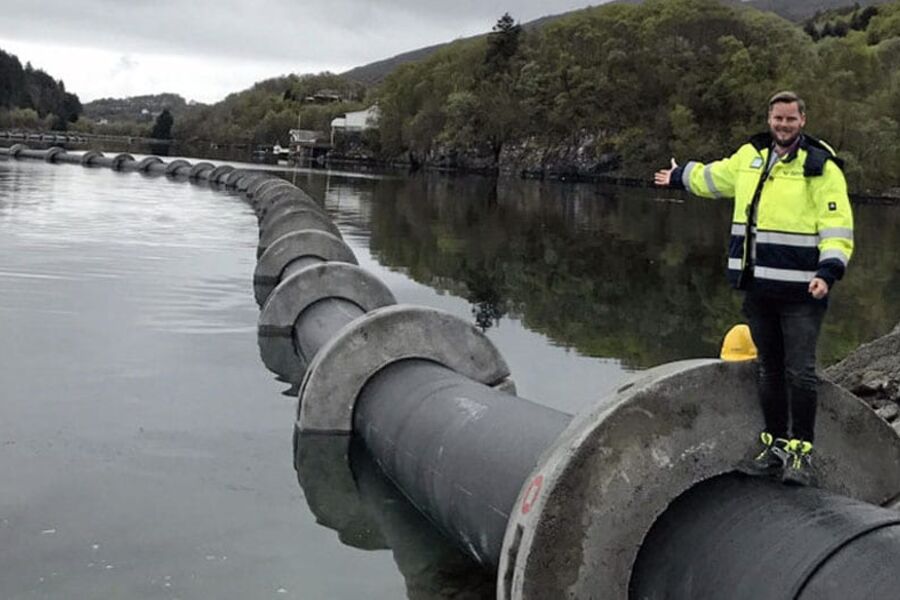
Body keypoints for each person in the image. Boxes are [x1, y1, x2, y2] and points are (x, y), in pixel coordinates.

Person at [654, 91, 854, 486]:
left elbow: (837, 226)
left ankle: (802, 453)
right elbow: (714, 177)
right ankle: (775, 445)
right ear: (769, 119)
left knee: (801, 372)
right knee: (769, 369)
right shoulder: (751, 156)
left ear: (803, 121)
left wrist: (828, 271)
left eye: (791, 119)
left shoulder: (820, 167)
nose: (783, 125)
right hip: (759, 286)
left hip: (802, 291)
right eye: (778, 119)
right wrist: (681, 175)